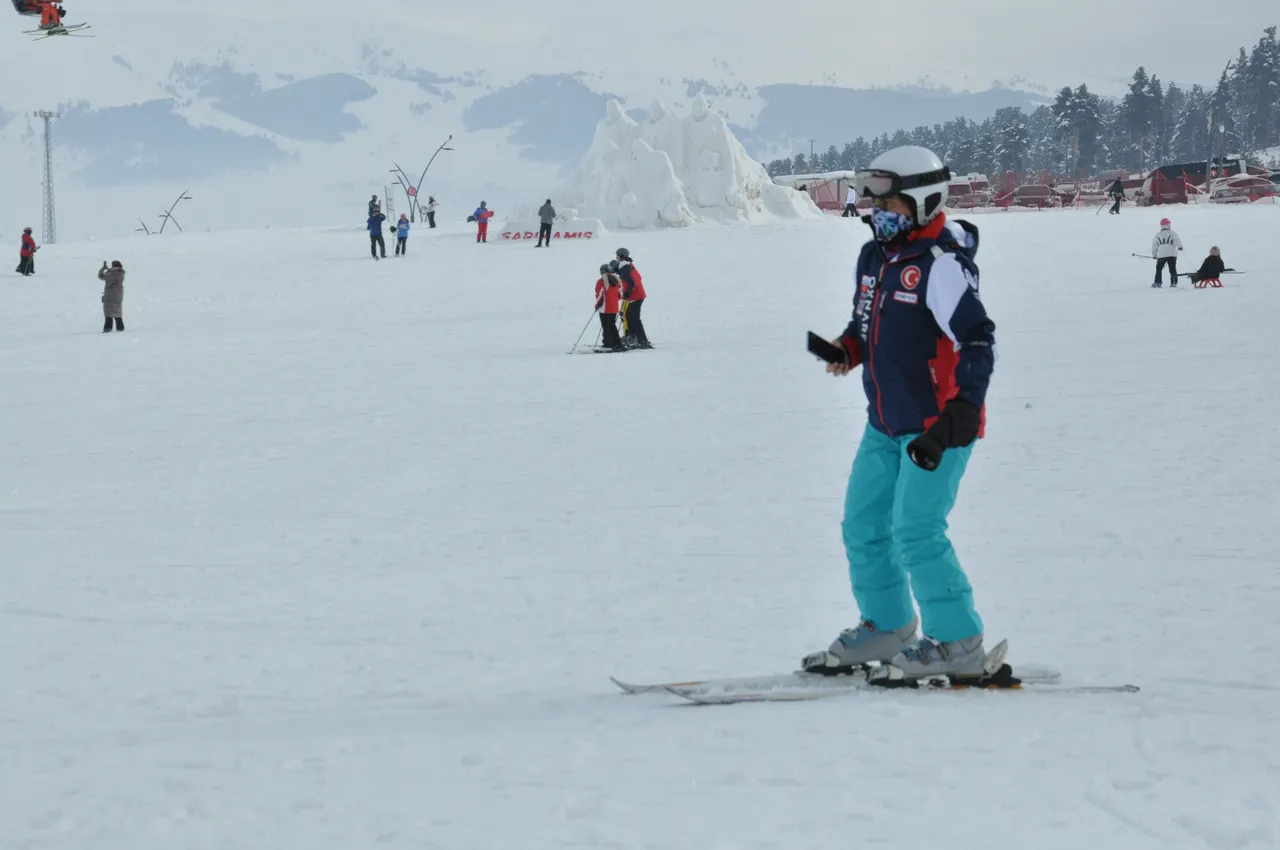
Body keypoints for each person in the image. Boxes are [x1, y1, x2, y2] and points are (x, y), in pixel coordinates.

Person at [802, 145, 997, 681]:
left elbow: (979, 341)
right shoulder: (875, 257)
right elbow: (866, 325)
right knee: (863, 526)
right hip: (884, 423)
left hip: (937, 426)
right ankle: (888, 625)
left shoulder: (941, 268)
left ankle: (959, 640)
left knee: (916, 529)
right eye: (872, 201)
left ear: (923, 200)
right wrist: (845, 349)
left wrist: (962, 409)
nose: (875, 212)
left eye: (888, 203)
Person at [613, 247, 651, 349]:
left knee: (634, 319)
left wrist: (626, 294)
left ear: (621, 256)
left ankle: (642, 341)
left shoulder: (624, 267)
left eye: (617, 255)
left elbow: (631, 283)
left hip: (635, 296)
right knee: (629, 317)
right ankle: (632, 338)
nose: (616, 257)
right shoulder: (628, 265)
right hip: (636, 295)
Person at [595, 264, 624, 351]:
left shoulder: (601, 281)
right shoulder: (617, 280)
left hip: (604, 308)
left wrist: (598, 305)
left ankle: (608, 345)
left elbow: (600, 295)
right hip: (614, 308)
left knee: (606, 327)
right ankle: (617, 343)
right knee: (612, 325)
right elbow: (621, 294)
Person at [1151, 217, 1183, 288]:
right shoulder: (1172, 233)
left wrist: (1154, 255)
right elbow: (1177, 239)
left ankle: (1158, 282)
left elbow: (1154, 246)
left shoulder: (1157, 235)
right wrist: (1180, 246)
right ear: (1168, 225)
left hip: (1162, 254)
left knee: (1159, 268)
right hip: (1172, 254)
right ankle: (1173, 282)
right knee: (1172, 268)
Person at [99, 260, 125, 332]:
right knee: (118, 313)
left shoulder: (112, 273)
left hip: (110, 295)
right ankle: (120, 328)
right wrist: (108, 270)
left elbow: (101, 276)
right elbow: (112, 276)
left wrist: (103, 268)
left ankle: (108, 328)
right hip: (119, 295)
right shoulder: (121, 273)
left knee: (108, 313)